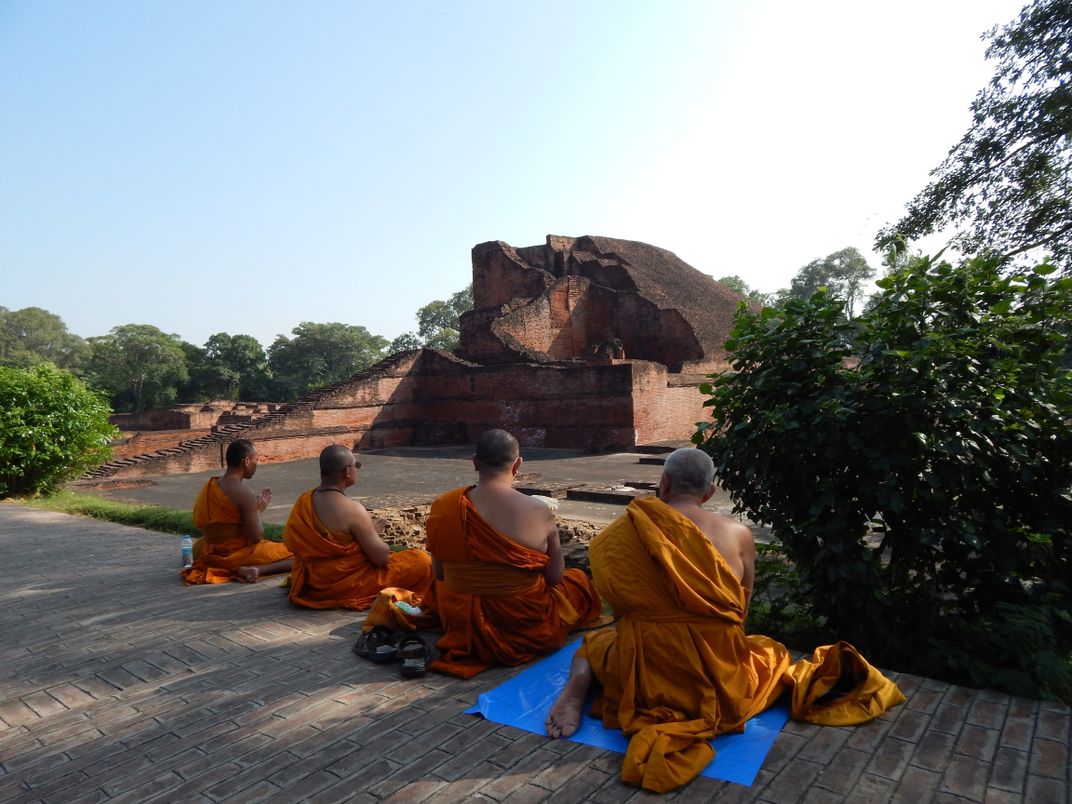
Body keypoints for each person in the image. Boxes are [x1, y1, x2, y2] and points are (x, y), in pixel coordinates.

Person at [545, 447, 905, 794]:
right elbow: (740, 611)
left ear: (664, 483)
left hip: (641, 671)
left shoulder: (620, 534)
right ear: (710, 491)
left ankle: (576, 689)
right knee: (771, 652)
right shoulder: (738, 534)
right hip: (716, 676)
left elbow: (620, 608)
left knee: (595, 645)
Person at [422, 429, 602, 678]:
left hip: (461, 620)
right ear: (518, 464)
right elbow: (554, 578)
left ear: (475, 461)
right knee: (579, 582)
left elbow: (439, 574)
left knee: (435, 586)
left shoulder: (445, 506)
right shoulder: (538, 510)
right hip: (521, 624)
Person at [282, 445, 433, 609]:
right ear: (347, 471)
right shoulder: (353, 509)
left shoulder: (304, 501)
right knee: (422, 560)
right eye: (356, 465)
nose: (356, 469)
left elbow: (296, 546)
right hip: (346, 584)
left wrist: (362, 538)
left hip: (314, 582)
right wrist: (372, 535)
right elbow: (381, 558)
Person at [183, 438, 293, 585]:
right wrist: (259, 511)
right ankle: (257, 569)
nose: (256, 464)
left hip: (209, 552)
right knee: (299, 555)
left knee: (195, 547)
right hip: (233, 554)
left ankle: (235, 568)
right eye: (256, 460)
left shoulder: (210, 485)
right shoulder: (244, 493)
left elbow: (203, 524)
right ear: (246, 461)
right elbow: (256, 537)